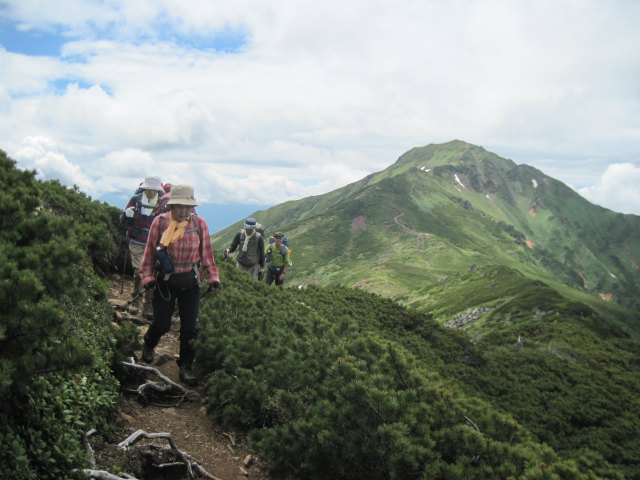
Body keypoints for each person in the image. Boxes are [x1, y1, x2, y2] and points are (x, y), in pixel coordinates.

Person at [139, 185, 220, 386]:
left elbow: (207, 255)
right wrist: (147, 277)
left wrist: (213, 278)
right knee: (162, 323)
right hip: (166, 282)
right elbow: (149, 253)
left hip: (191, 281)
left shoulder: (199, 224)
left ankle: (185, 366)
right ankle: (150, 342)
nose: (183, 211)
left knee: (191, 328)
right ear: (171, 205)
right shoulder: (160, 223)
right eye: (179, 206)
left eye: (187, 206)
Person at [120, 175, 165, 317]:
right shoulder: (135, 200)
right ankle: (136, 302)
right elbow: (122, 218)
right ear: (145, 188)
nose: (152, 192)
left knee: (151, 274)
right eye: (149, 189)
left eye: (154, 190)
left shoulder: (162, 205)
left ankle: (147, 306)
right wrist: (127, 215)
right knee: (140, 270)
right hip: (136, 241)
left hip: (153, 244)